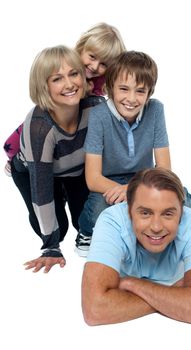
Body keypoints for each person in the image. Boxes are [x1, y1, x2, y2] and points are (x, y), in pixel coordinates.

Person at [77, 50, 191, 256]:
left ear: (149, 93)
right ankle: (87, 233)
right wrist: (127, 191)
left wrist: (134, 190)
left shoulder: (155, 110)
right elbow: (92, 178)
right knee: (99, 208)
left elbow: (164, 169)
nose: (131, 99)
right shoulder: (99, 115)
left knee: (182, 198)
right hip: (109, 183)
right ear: (110, 88)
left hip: (146, 178)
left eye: (140, 91)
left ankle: (186, 233)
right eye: (124, 89)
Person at [82, 167, 191, 327]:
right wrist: (176, 299)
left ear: (181, 213)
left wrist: (131, 284)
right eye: (145, 213)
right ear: (129, 211)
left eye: (168, 214)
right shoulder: (111, 221)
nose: (156, 227)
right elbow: (95, 310)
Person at [11, 45, 104, 273]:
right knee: (58, 229)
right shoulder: (40, 126)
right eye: (57, 79)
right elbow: (41, 191)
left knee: (84, 222)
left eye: (74, 74)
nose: (69, 84)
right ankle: (57, 198)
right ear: (44, 86)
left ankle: (66, 192)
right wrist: (51, 246)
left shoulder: (95, 108)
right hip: (39, 172)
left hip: (75, 169)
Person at [3, 22, 126, 175]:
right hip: (49, 114)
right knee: (12, 144)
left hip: (71, 123)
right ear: (81, 48)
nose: (94, 67)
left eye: (103, 64)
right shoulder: (67, 62)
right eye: (92, 57)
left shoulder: (100, 82)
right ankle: (13, 162)